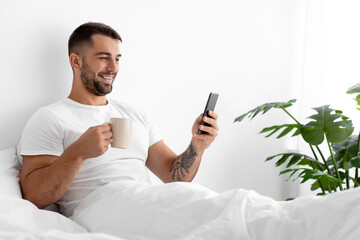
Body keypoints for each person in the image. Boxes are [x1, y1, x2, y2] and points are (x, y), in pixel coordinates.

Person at [17, 22, 219, 217]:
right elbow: (34, 196)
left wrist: (197, 146)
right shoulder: (51, 118)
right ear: (76, 61)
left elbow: (174, 176)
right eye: (104, 58)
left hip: (151, 199)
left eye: (118, 59)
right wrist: (77, 153)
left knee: (225, 205)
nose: (113, 67)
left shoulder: (136, 115)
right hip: (103, 208)